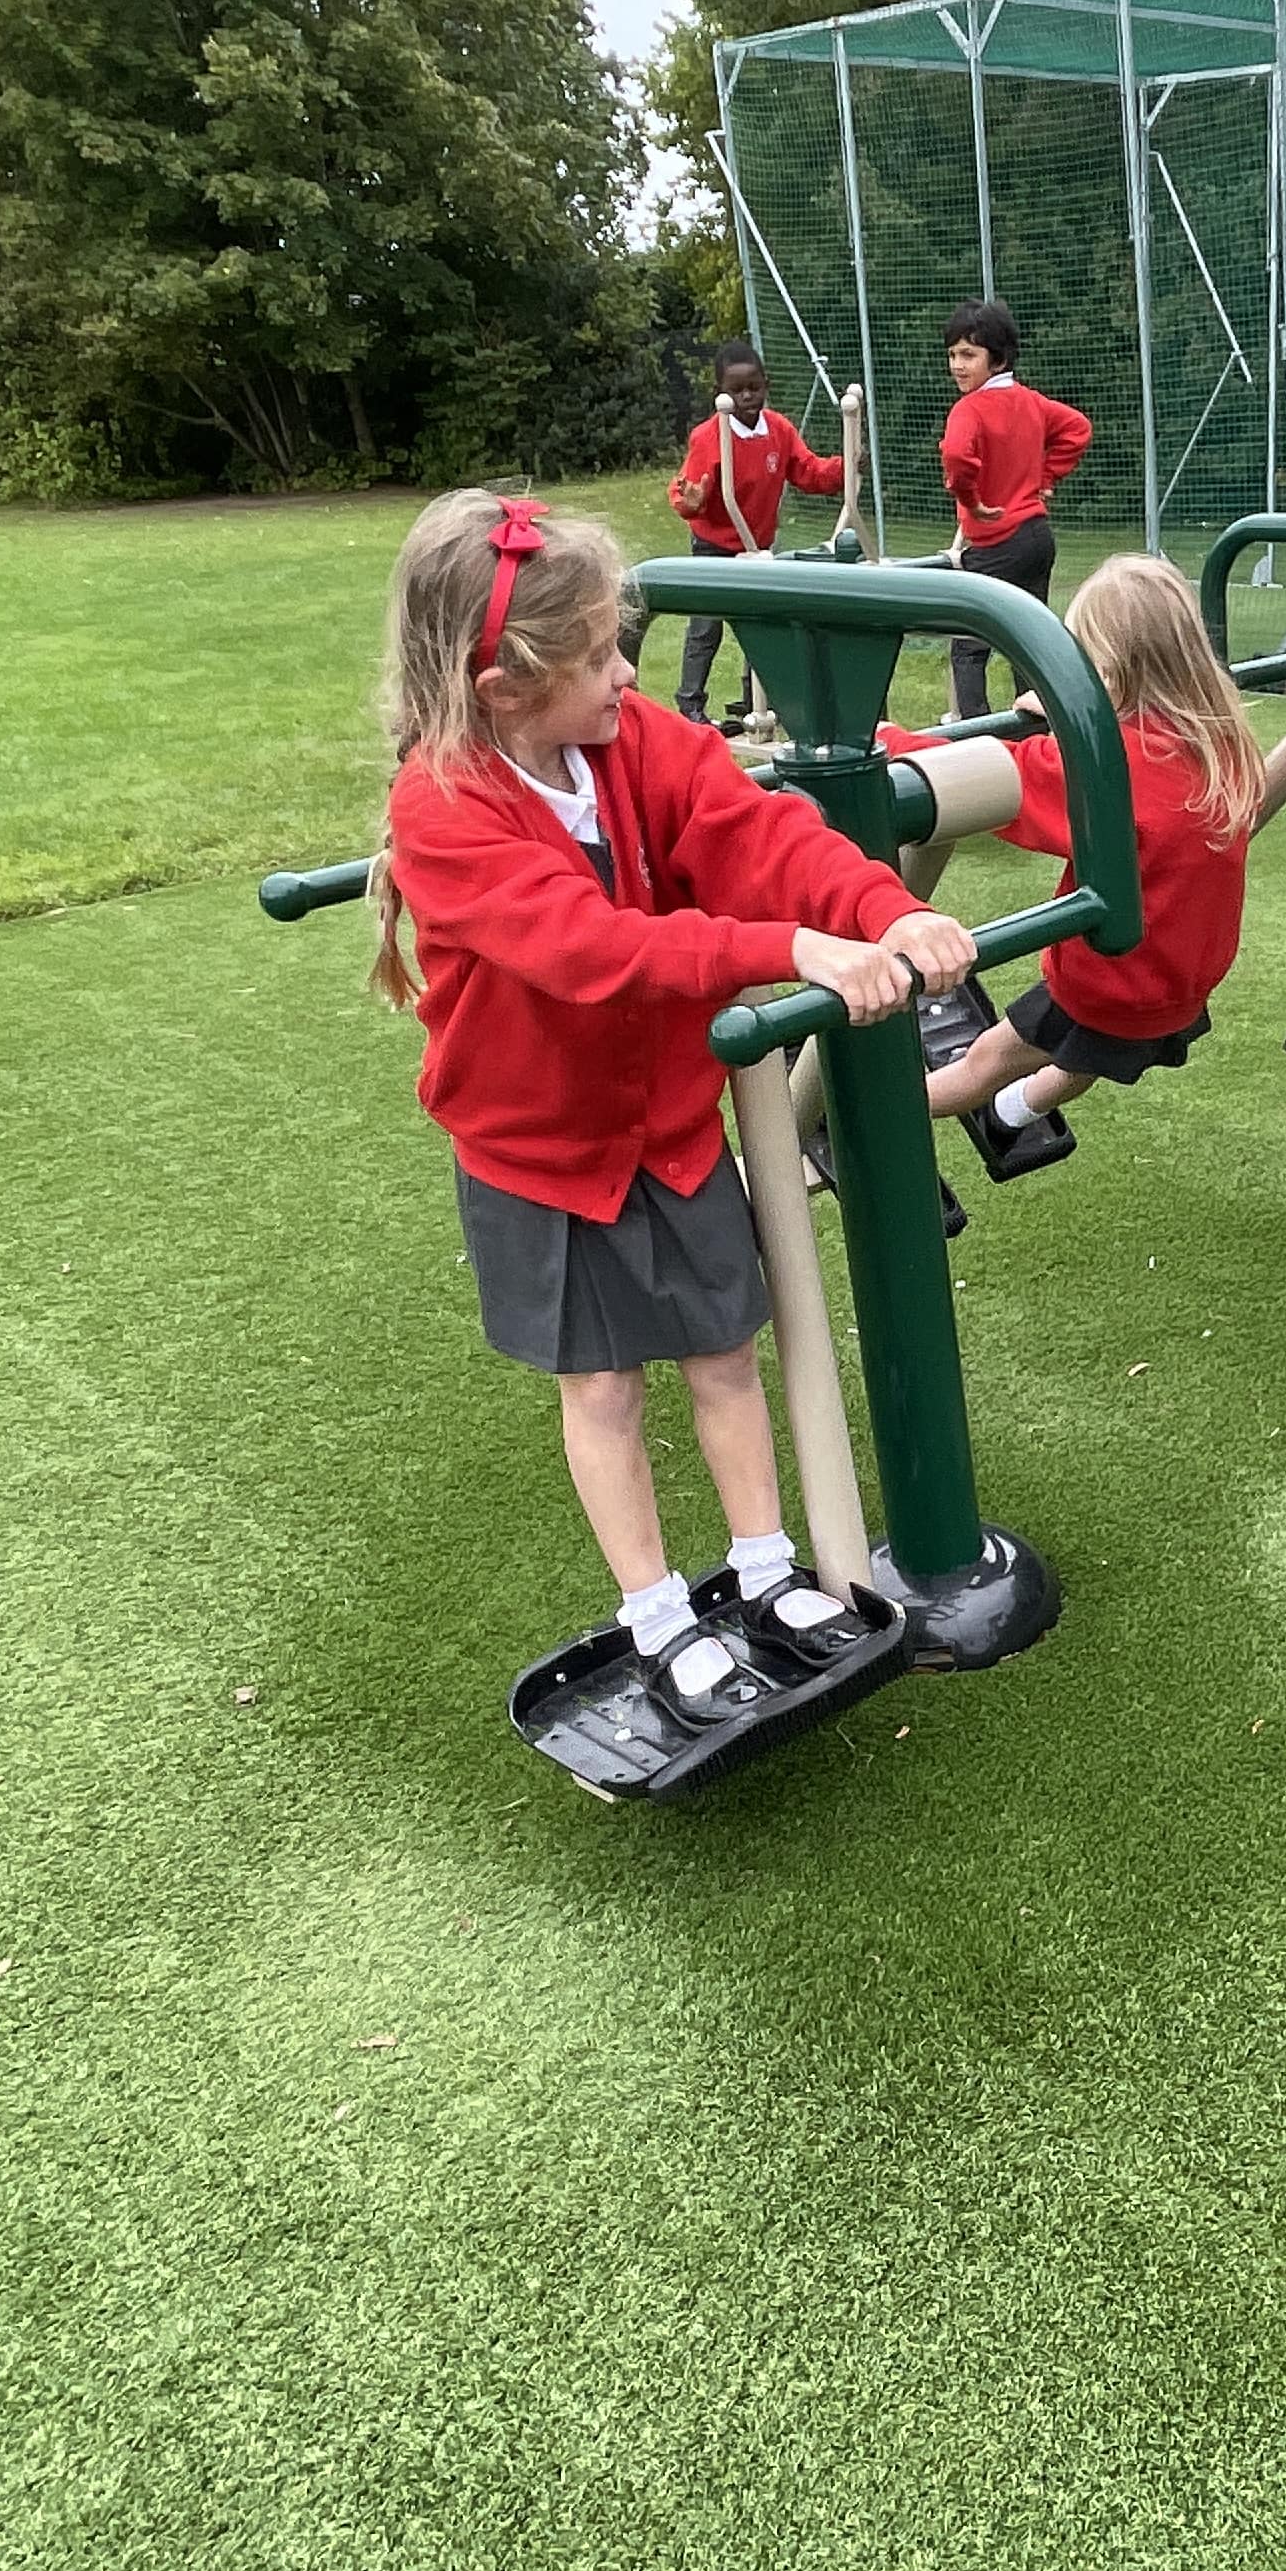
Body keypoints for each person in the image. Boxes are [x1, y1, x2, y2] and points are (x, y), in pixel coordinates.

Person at [366, 489, 977, 1732]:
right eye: (595, 656)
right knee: (601, 1385)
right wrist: (786, 949)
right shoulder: (444, 810)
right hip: (542, 1149)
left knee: (720, 1349)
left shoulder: (629, 740)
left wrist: (880, 909)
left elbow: (752, 830)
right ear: (502, 690)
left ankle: (764, 1575)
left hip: (668, 1119)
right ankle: (657, 1615)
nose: (624, 671)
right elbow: (593, 950)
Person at [903, 555, 1259, 1178]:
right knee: (1085, 1061)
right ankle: (1015, 1111)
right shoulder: (1221, 737)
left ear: (1108, 672)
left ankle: (883, 1116)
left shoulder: (1108, 771)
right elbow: (1145, 765)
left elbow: (1001, 779)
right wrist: (1072, 717)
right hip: (1180, 983)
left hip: (1108, 983)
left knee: (983, 1064)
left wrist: (893, 744)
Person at [662, 342, 847, 730]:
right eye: (736, 389)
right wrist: (690, 501)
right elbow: (686, 490)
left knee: (763, 626)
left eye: (754, 387)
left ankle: (755, 699)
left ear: (766, 385)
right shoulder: (708, 436)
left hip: (758, 547)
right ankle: (690, 705)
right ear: (720, 393)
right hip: (715, 546)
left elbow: (807, 471)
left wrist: (845, 466)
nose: (747, 396)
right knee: (705, 628)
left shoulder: (778, 429)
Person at [937, 297, 1092, 720]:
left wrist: (970, 500)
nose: (957, 365)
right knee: (1030, 641)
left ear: (999, 359)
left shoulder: (969, 408)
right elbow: (1078, 429)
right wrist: (1045, 479)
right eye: (952, 354)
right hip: (1037, 537)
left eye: (968, 354)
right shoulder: (1030, 401)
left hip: (995, 542)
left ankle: (976, 736)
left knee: (969, 646)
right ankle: (1039, 729)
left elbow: (955, 455)